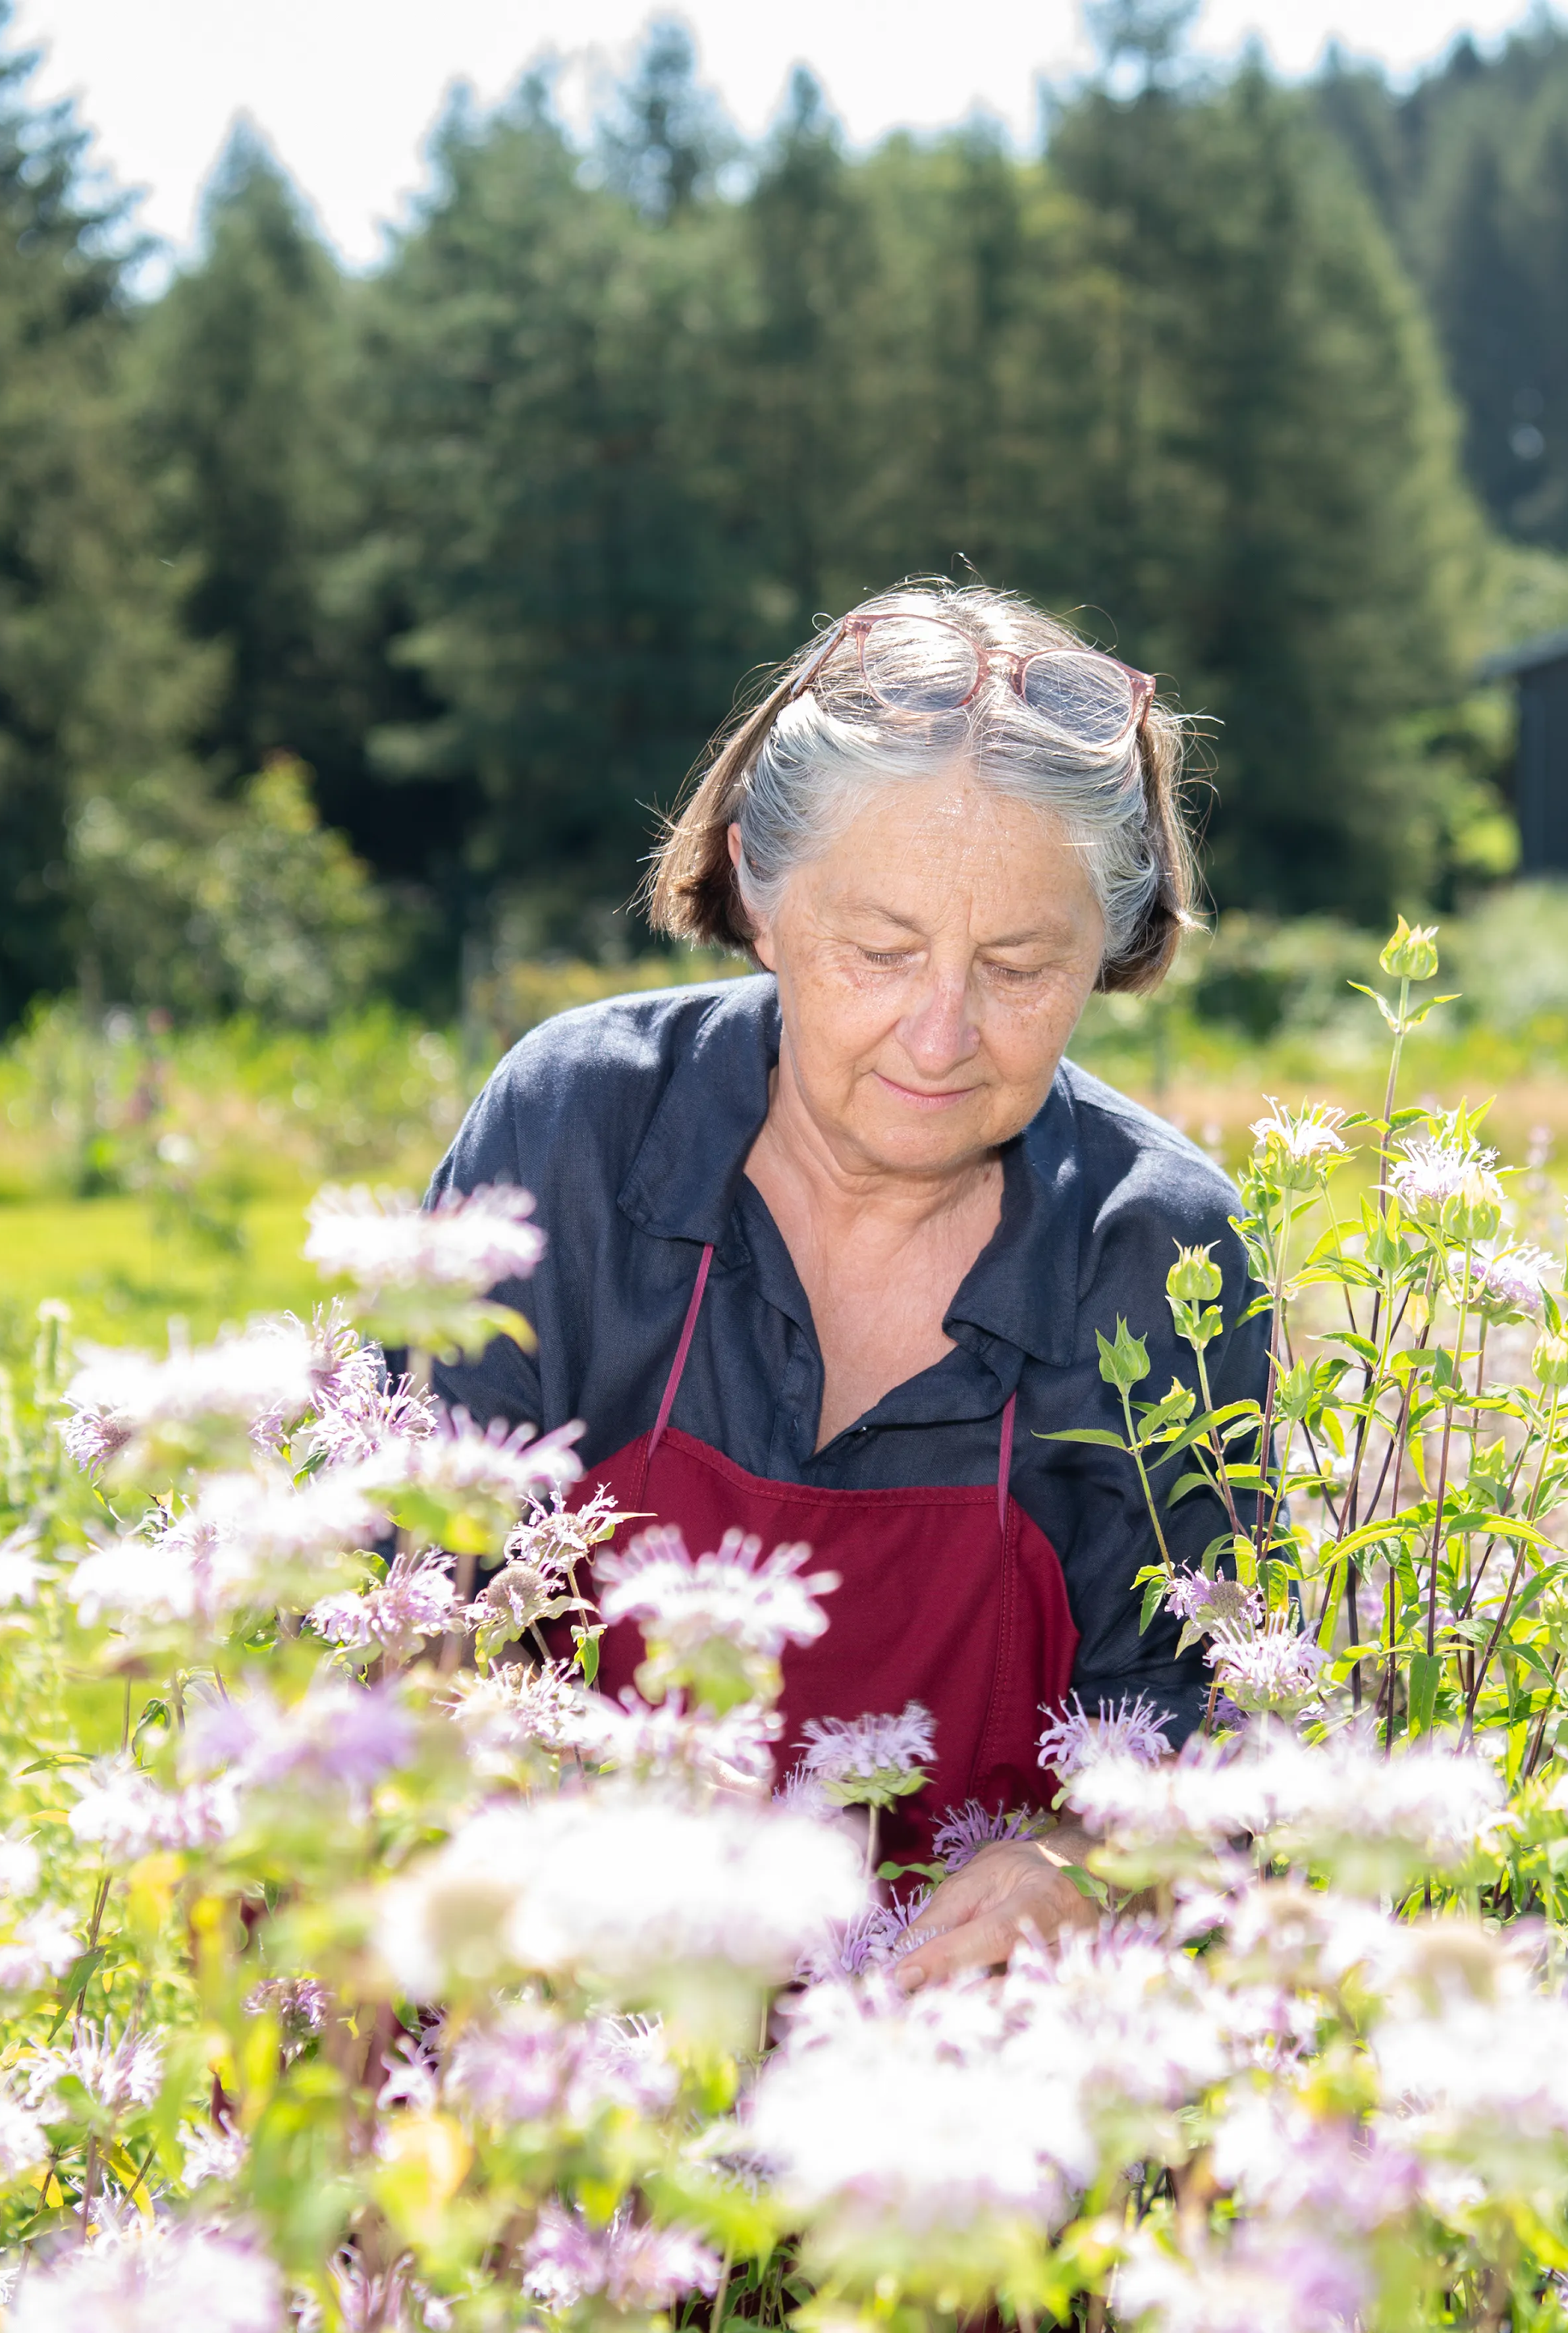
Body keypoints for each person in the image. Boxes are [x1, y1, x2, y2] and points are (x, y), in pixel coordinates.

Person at [421, 581, 1259, 1986]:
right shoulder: (574, 1130)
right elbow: (398, 1611)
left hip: (934, 2088)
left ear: (1106, 953)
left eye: (1017, 965)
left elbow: (1186, 1716)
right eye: (879, 951)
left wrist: (1078, 1867)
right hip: (540, 2024)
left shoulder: (1150, 1246)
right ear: (759, 890)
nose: (940, 1033)